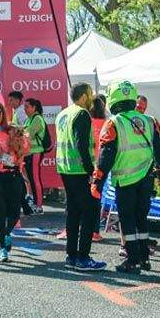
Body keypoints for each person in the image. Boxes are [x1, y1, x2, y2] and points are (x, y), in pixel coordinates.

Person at [92, 81, 160, 273]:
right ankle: (144, 258)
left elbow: (106, 155)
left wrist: (97, 181)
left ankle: (132, 260)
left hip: (125, 180)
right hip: (146, 178)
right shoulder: (150, 120)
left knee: (127, 219)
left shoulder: (113, 123)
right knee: (142, 217)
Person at [55, 84, 106, 271]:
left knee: (73, 213)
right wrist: (91, 171)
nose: (92, 98)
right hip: (79, 170)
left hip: (65, 169)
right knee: (89, 212)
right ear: (84, 96)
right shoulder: (82, 114)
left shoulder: (63, 113)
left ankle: (71, 256)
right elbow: (81, 144)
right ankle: (83, 257)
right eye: (90, 94)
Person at [0, 102, 28, 263]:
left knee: (15, 213)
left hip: (13, 176)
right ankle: (2, 248)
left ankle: (7, 233)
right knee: (0, 213)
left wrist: (0, 157)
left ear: (3, 114)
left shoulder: (11, 131)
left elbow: (18, 159)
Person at [22, 98, 47, 214]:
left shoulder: (37, 118)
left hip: (36, 152)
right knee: (30, 179)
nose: (25, 109)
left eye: (27, 107)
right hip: (28, 153)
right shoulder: (29, 119)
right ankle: (34, 202)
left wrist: (19, 132)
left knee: (35, 179)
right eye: (24, 107)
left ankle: (39, 205)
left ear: (34, 107)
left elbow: (28, 134)